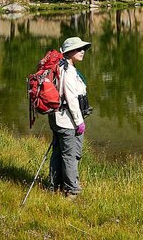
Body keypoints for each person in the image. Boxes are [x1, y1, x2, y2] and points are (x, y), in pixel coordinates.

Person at [49, 36, 91, 198]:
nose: (82, 52)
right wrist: (79, 122)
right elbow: (71, 98)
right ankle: (72, 190)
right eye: (78, 49)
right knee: (71, 154)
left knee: (59, 152)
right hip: (67, 120)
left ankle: (55, 186)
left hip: (59, 118)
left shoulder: (62, 67)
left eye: (83, 49)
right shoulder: (67, 71)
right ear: (68, 52)